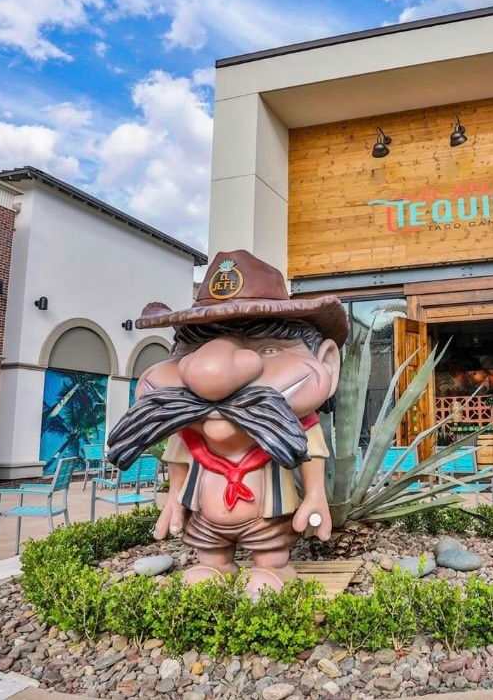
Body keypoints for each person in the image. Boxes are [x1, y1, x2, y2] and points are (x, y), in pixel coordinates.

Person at [107, 250, 347, 595]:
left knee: (271, 551)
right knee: (209, 554)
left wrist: (314, 496)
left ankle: (273, 568)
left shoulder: (299, 427)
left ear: (327, 364)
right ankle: (214, 565)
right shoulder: (187, 429)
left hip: (268, 516)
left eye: (268, 349)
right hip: (207, 520)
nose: (211, 376)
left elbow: (312, 455)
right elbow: (178, 461)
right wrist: (175, 498)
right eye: (194, 350)